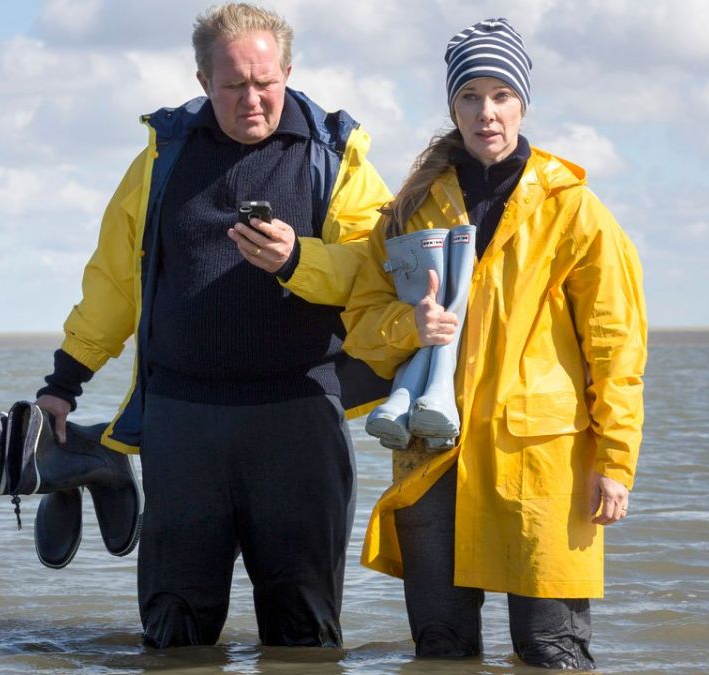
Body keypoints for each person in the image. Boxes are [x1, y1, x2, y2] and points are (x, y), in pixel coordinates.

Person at [32, 2, 391, 649]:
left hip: (298, 420)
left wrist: (298, 260)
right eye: (233, 86)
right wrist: (65, 382)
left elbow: (376, 272)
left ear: (288, 72)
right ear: (203, 81)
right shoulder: (162, 159)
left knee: (303, 635)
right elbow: (114, 281)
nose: (252, 99)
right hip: (184, 423)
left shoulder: (335, 156)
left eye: (265, 83)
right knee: (174, 630)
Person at [342, 18, 646, 669]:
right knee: (441, 649)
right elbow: (362, 325)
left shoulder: (572, 207)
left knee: (552, 649)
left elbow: (615, 345)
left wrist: (615, 460)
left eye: (502, 94)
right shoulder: (408, 208)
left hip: (540, 458)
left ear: (522, 103)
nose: (487, 112)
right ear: (453, 107)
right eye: (471, 96)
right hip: (433, 453)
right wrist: (411, 325)